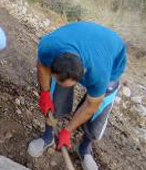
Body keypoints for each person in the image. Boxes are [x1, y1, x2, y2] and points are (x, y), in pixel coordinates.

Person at [28, 21, 127, 170]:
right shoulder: (49, 47)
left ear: (84, 72)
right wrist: (45, 93)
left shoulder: (99, 74)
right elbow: (42, 66)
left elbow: (90, 107)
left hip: (111, 58)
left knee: (99, 110)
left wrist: (67, 131)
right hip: (79, 38)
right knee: (56, 93)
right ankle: (48, 137)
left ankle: (85, 148)